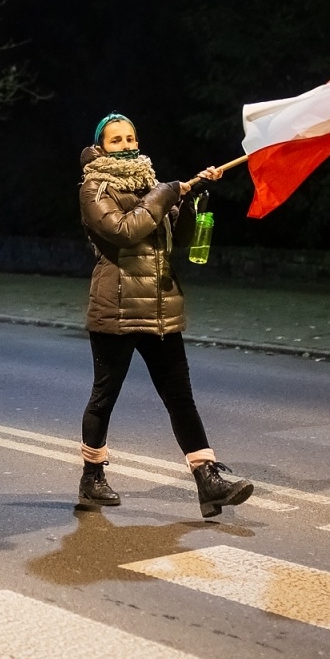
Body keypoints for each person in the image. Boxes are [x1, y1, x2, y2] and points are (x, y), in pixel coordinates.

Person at [76, 113, 252, 517]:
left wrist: (190, 199)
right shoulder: (94, 188)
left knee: (180, 398)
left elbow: (181, 238)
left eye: (131, 137)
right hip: (117, 309)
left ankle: (208, 481)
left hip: (161, 308)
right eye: (116, 140)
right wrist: (167, 193)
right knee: (104, 397)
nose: (126, 145)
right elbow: (124, 231)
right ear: (101, 147)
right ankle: (92, 477)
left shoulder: (150, 185)